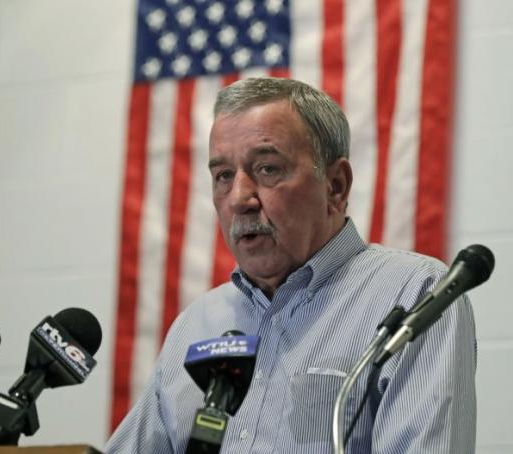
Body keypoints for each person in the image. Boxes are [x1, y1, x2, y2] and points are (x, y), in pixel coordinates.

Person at [105, 77, 476, 453]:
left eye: (267, 169)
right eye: (223, 176)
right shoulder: (197, 324)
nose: (239, 199)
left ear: (335, 186)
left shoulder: (416, 295)